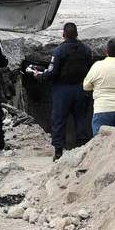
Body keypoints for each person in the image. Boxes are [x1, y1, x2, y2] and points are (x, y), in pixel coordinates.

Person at [35, 22, 93, 160]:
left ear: (63, 35)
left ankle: (59, 151)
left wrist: (40, 76)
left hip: (62, 90)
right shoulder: (86, 49)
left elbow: (52, 72)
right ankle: (81, 147)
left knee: (59, 119)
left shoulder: (60, 51)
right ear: (77, 33)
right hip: (81, 88)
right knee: (81, 118)